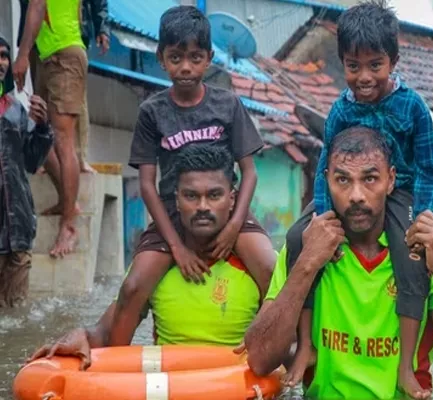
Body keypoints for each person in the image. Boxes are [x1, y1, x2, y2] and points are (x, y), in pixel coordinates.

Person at [244, 127, 433, 399]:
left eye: (370, 178)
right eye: (343, 180)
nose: (356, 195)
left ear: (391, 180)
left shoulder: (422, 249)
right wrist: (306, 265)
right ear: (326, 181)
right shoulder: (306, 244)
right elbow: (260, 360)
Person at [282, 2, 433, 397]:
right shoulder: (341, 109)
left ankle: (405, 366)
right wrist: (325, 219)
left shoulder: (412, 107)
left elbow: (429, 169)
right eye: (353, 66)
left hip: (401, 191)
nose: (364, 76)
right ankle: (305, 346)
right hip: (347, 192)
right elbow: (326, 167)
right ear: (342, 63)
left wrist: (421, 219)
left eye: (375, 65)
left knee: (411, 263)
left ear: (394, 60)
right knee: (296, 238)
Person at [111, 6, 275, 346]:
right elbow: (146, 184)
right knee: (132, 287)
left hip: (226, 212)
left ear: (209, 58)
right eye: (175, 57)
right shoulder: (151, 112)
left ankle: (280, 350)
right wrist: (176, 246)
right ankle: (110, 365)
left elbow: (249, 174)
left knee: (273, 272)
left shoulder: (228, 104)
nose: (185, 67)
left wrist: (233, 227)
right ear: (161, 57)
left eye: (195, 57)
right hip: (174, 215)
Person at [27, 144, 262, 367]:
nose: (202, 206)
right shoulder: (155, 265)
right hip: (169, 386)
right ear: (177, 200)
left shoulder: (256, 264)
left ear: (232, 200)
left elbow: (285, 339)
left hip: (237, 384)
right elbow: (105, 333)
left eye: (214, 196)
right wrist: (81, 334)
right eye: (191, 196)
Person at [14, 0, 88, 258]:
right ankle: (66, 202)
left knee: (62, 140)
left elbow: (36, 5)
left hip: (63, 55)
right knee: (41, 132)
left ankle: (68, 226)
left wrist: (22, 55)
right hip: (51, 55)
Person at [17, 0, 110, 175]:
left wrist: (102, 26)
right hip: (37, 41)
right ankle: (47, 159)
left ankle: (79, 157)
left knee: (72, 108)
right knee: (41, 104)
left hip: (66, 39)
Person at [0, 36, 53, 307]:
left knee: (17, 315)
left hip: (17, 229)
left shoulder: (16, 110)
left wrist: (43, 127)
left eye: (4, 56)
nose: (1, 62)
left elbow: (31, 162)